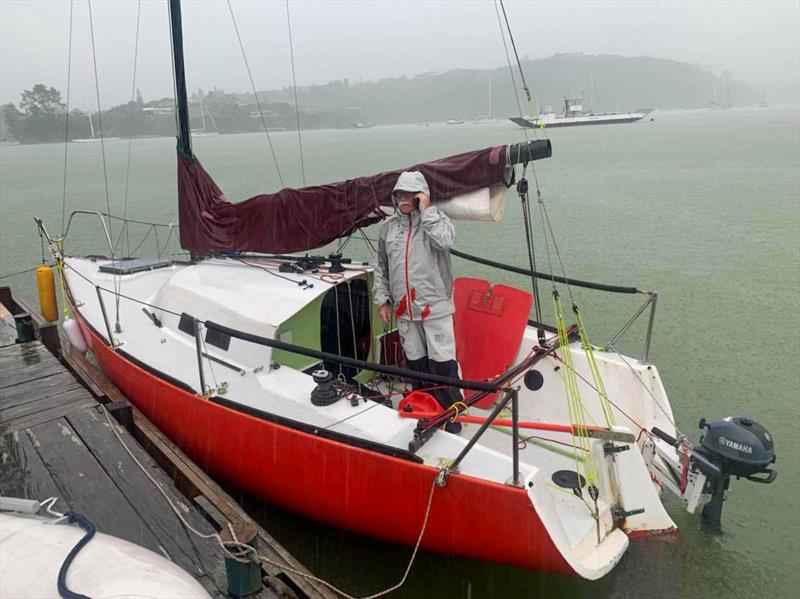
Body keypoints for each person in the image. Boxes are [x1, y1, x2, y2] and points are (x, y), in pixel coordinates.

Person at [374, 171, 463, 433]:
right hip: (404, 309)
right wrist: (383, 300)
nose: (404, 199)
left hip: (434, 306)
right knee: (415, 361)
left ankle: (452, 414)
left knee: (443, 361)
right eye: (400, 194)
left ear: (421, 196)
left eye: (411, 194)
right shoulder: (388, 228)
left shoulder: (436, 221)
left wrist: (427, 212)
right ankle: (423, 407)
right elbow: (382, 267)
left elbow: (446, 241)